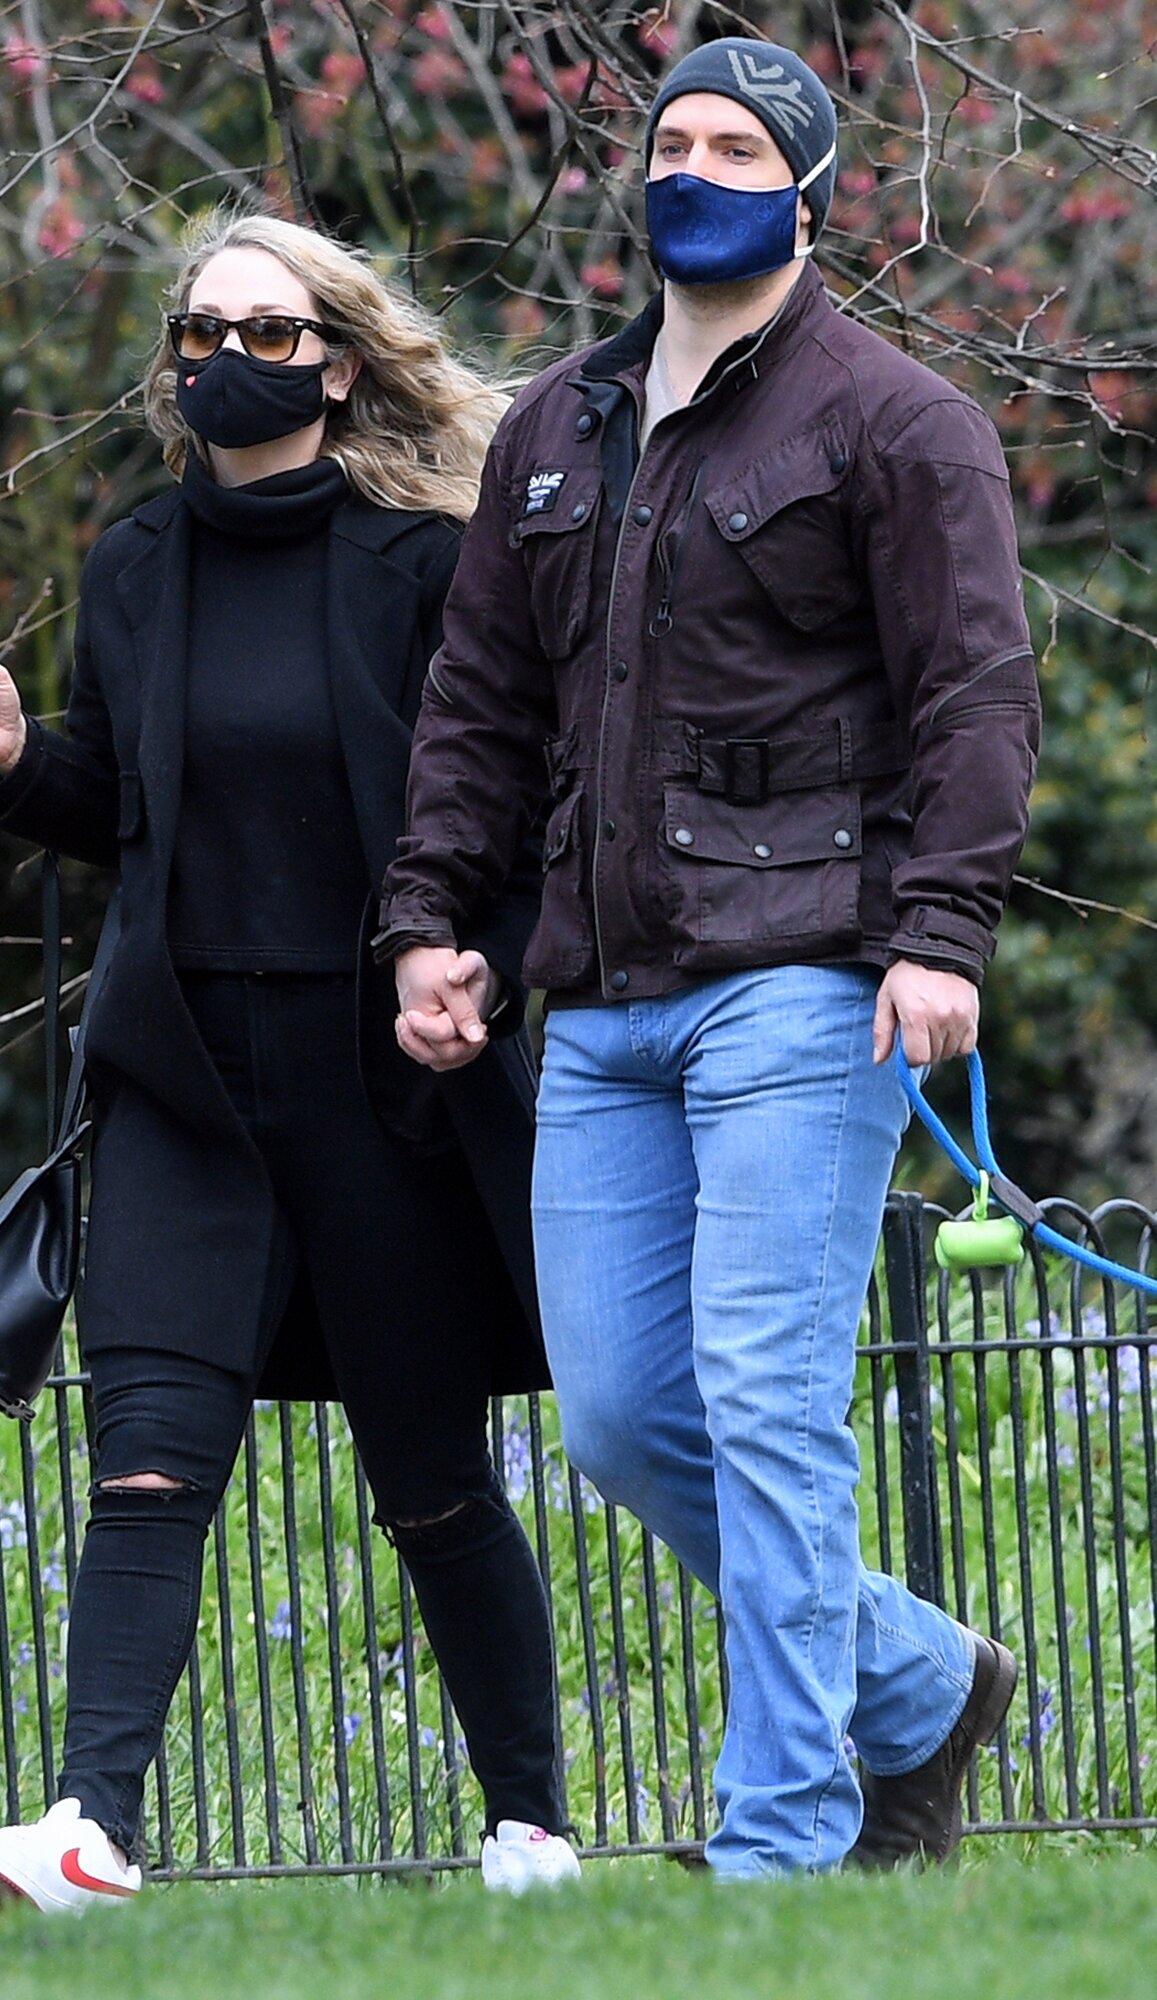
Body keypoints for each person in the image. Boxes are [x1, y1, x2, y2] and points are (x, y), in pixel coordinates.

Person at [372, 37, 1040, 1878]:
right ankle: (917, 1684)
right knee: (617, 1416)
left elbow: (976, 697)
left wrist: (940, 934)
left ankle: (781, 1840)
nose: (693, 169)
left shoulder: (896, 420)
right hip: (597, 996)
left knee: (764, 1401)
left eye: (739, 147)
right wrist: (432, 923)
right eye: (672, 139)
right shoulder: (552, 426)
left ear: (808, 193)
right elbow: (479, 704)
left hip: (809, 978)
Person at [0, 206, 580, 1912]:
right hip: (183, 1080)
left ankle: (528, 1828)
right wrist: (14, 758)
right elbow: (128, 811)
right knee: (144, 1458)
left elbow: (511, 815)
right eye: (199, 333)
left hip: (384, 1082)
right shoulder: (135, 563)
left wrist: (480, 972)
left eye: (268, 333)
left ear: (339, 364)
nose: (226, 359)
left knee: (429, 1481)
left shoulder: (423, 565)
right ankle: (89, 1831)